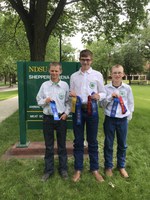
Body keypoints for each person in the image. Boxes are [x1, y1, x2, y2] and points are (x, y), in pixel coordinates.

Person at [70, 49, 106, 182]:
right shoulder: (74, 76)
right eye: (83, 59)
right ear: (79, 59)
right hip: (78, 111)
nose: (85, 62)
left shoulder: (97, 75)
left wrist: (99, 95)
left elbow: (103, 92)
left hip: (93, 111)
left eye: (88, 59)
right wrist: (71, 94)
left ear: (92, 60)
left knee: (93, 141)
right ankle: (78, 169)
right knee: (78, 141)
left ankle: (94, 169)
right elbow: (71, 92)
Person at [36, 62, 70, 182]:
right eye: (52, 71)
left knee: (62, 145)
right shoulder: (44, 85)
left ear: (60, 71)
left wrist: (66, 113)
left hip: (61, 119)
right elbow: (38, 100)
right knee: (49, 146)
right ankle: (48, 170)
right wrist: (46, 100)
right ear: (49, 71)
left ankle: (63, 169)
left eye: (56, 71)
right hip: (48, 119)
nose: (54, 73)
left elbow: (68, 102)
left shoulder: (65, 85)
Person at [101, 64, 134, 178]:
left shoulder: (127, 88)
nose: (117, 75)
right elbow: (102, 104)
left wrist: (128, 117)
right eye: (115, 72)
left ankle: (121, 166)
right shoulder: (106, 88)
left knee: (122, 144)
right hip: (110, 119)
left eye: (119, 72)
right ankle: (108, 166)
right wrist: (110, 98)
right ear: (111, 74)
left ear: (123, 74)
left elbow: (130, 103)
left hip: (123, 120)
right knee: (109, 144)